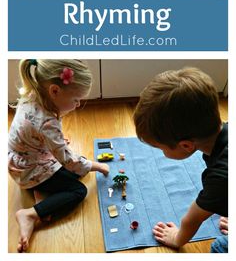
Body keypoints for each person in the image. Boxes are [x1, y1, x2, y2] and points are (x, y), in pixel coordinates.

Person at [8, 59, 109, 253]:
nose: (78, 104)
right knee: (78, 190)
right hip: (29, 169)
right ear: (54, 91)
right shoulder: (46, 123)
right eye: (76, 99)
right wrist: (96, 165)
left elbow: (39, 132)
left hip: (22, 156)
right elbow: (70, 162)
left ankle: (41, 195)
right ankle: (30, 214)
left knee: (75, 172)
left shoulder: (34, 92)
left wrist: (53, 140)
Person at [133, 67, 228, 252]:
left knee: (219, 246)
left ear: (186, 145)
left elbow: (192, 219)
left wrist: (177, 238)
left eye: (161, 148)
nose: (161, 152)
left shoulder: (221, 177)